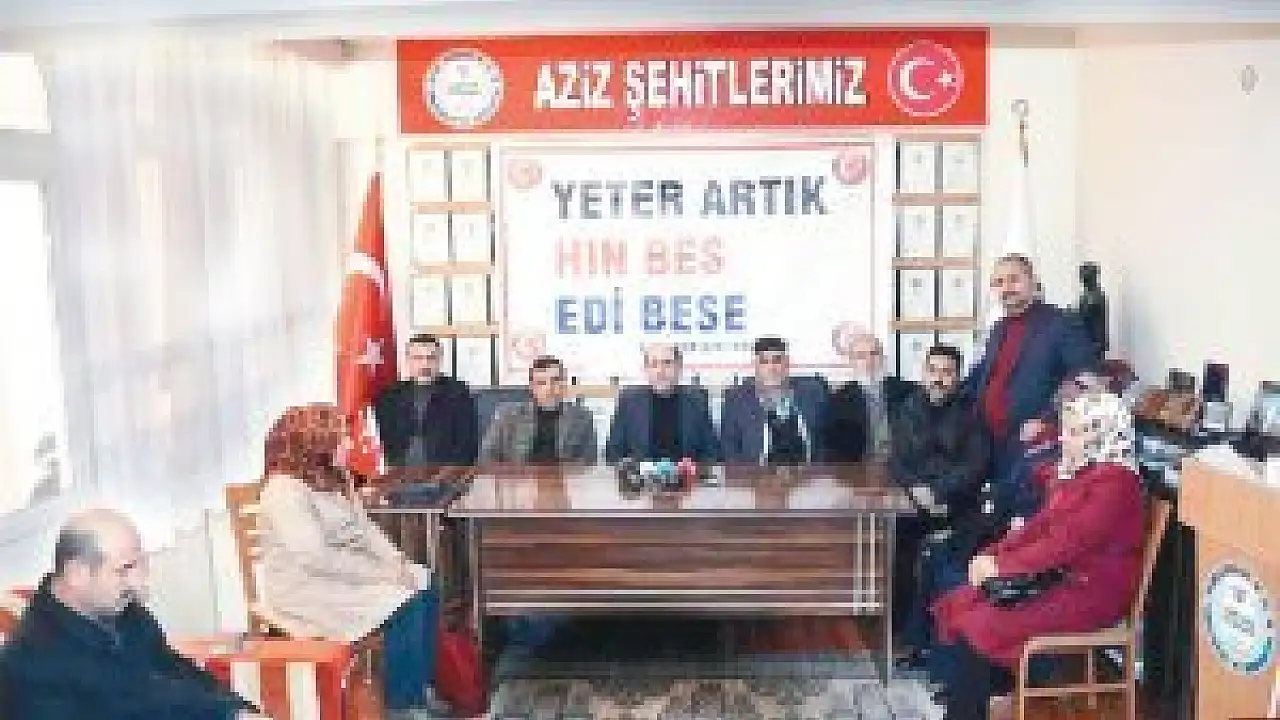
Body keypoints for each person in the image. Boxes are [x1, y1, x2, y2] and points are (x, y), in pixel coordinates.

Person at [930, 391, 1145, 719]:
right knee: (967, 601)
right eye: (1066, 430)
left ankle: (975, 704)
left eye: (1075, 432)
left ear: (1103, 435)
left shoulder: (1117, 483)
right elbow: (1040, 526)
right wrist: (992, 554)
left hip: (1091, 591)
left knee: (981, 622)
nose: (1063, 439)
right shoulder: (1081, 471)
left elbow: (1065, 542)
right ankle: (985, 699)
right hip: (1061, 578)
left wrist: (1002, 567)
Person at [256, 404, 445, 719]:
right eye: (340, 439)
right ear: (315, 446)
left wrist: (397, 562)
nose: (348, 445)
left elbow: (366, 529)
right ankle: (403, 708)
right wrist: (382, 575)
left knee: (425, 582)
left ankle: (418, 688)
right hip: (307, 588)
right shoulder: (283, 490)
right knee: (406, 603)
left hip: (348, 572)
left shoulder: (333, 477)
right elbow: (316, 558)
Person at [0, 509, 266, 719]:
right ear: (76, 574)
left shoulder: (119, 610)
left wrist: (237, 709)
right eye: (124, 569)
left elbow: (175, 669)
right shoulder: (33, 664)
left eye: (139, 565)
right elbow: (133, 698)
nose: (138, 583)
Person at [889, 345, 990, 670]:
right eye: (933, 371)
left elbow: (975, 466)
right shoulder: (907, 409)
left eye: (947, 372)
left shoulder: (972, 413)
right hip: (916, 504)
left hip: (957, 505)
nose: (939, 378)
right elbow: (897, 462)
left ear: (957, 377)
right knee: (897, 553)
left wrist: (938, 492)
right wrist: (918, 489)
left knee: (950, 558)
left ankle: (943, 640)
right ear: (924, 373)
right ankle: (905, 636)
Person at [962, 254, 1095, 482]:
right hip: (990, 442)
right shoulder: (999, 328)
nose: (1007, 288)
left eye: (1014, 279)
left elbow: (1084, 379)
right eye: (999, 282)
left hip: (1033, 446)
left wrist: (1048, 420)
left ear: (1032, 282)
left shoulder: (1061, 323)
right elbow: (981, 375)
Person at [374, 333, 480, 475]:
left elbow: (467, 444)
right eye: (418, 358)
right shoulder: (391, 396)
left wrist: (449, 476)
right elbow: (380, 441)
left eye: (431, 358)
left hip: (444, 477)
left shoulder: (458, 393)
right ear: (408, 360)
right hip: (398, 477)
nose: (425, 365)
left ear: (439, 360)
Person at [605, 343, 721, 463]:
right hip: (641, 474)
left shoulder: (696, 400)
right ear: (646, 369)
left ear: (679, 367)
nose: (660, 371)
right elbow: (613, 451)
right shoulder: (629, 400)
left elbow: (712, 451)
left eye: (667, 363)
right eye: (654, 364)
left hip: (685, 473)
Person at [721, 336, 829, 464]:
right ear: (755, 366)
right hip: (758, 473)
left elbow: (827, 440)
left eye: (777, 360)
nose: (771, 368)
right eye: (764, 362)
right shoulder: (737, 400)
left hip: (808, 471)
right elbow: (729, 449)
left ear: (787, 363)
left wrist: (819, 471)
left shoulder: (813, 393)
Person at [479, 355, 597, 464]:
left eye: (556, 380)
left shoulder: (582, 418)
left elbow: (589, 461)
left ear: (564, 383)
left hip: (563, 478)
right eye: (541, 382)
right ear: (532, 387)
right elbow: (486, 456)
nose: (549, 388)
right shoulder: (508, 415)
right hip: (519, 478)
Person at [825, 332, 914, 462]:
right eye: (861, 356)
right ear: (852, 362)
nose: (869, 361)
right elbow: (836, 448)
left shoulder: (907, 391)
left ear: (883, 357)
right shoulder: (840, 399)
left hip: (902, 465)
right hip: (860, 467)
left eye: (874, 353)